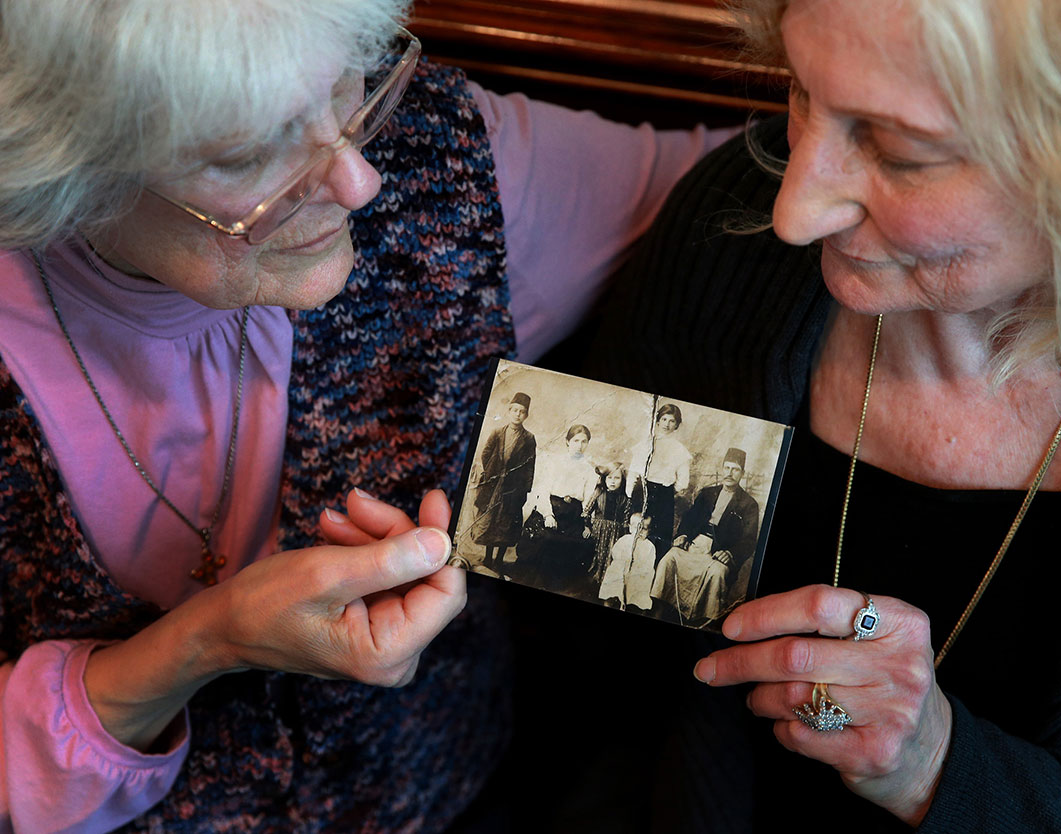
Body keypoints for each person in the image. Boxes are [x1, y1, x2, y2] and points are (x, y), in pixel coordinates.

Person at [0, 0, 737, 829]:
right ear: (62, 161)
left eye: (347, 87)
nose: (359, 180)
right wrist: (203, 644)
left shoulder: (444, 164)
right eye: (247, 151)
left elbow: (768, 196)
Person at [585, 0, 1061, 829]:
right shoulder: (728, 237)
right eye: (800, 93)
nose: (794, 212)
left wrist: (941, 771)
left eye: (899, 152)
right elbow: (587, 671)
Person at [672, 447, 761, 601]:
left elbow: (749, 540)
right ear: (722, 469)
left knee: (717, 573)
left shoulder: (749, 504)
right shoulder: (707, 493)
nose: (729, 473)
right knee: (670, 558)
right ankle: (663, 606)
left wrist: (730, 553)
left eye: (735, 469)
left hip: (719, 551)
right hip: (695, 542)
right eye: (726, 468)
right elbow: (689, 518)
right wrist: (683, 535)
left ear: (742, 474)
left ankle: (702, 616)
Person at [519, 424, 598, 592]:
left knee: (583, 543)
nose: (580, 445)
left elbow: (588, 501)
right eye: (576, 440)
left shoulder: (589, 470)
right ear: (567, 442)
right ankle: (538, 581)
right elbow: (543, 490)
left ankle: (560, 585)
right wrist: (548, 515)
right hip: (552, 509)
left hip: (574, 515)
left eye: (584, 441)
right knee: (547, 538)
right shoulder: (555, 462)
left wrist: (586, 524)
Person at [473, 392, 537, 568]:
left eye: (522, 411)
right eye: (515, 410)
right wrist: (492, 472)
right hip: (494, 485)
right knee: (491, 520)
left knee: (506, 522)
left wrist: (525, 488)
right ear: (509, 411)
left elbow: (530, 465)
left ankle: (499, 559)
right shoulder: (497, 432)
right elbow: (486, 453)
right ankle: (487, 557)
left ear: (526, 415)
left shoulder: (529, 438)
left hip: (513, 488)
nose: (517, 414)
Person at [627, 402, 692, 558]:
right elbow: (633, 471)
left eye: (672, 421)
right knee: (636, 532)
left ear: (677, 425)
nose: (667, 424)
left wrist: (666, 491)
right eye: (664, 419)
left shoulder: (680, 450)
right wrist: (630, 495)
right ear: (657, 420)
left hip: (664, 497)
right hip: (642, 492)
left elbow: (683, 482)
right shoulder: (647, 443)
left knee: (659, 536)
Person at [597, 512, 657, 613]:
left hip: (638, 572)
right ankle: (609, 600)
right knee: (613, 576)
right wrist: (624, 560)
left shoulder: (649, 546)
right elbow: (615, 553)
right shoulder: (624, 540)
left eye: (644, 529)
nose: (639, 532)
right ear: (630, 527)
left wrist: (638, 566)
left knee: (638, 585)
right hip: (621, 568)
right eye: (636, 528)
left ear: (649, 531)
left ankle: (637, 606)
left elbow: (649, 564)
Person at [583, 460, 630, 584]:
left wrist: (624, 537)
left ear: (622, 480)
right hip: (598, 530)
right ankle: (592, 580)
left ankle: (606, 583)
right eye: (609, 478)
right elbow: (587, 512)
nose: (613, 481)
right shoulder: (599, 493)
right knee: (596, 555)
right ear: (604, 479)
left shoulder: (625, 498)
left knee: (611, 557)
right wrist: (587, 527)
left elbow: (626, 521)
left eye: (617, 478)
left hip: (615, 534)